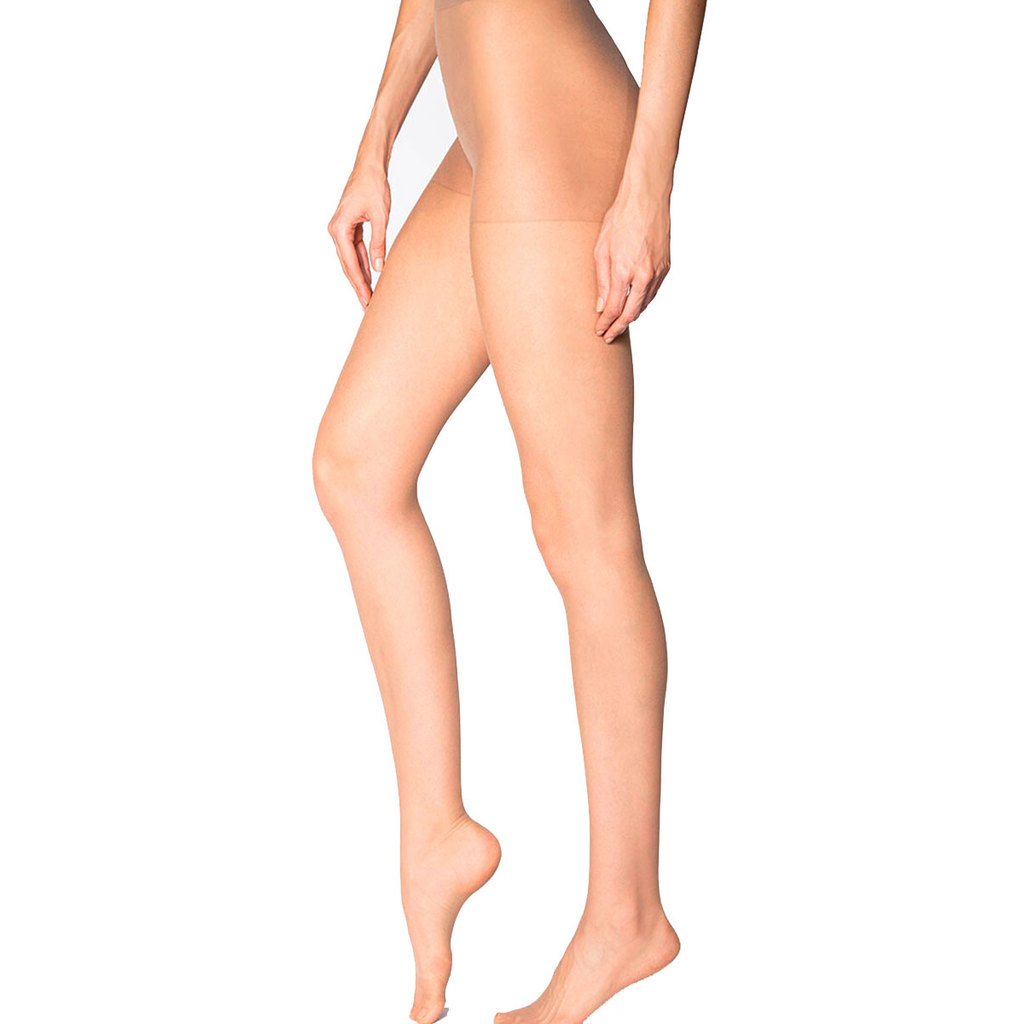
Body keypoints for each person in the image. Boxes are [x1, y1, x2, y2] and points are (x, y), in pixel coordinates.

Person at [313, 1, 706, 1021]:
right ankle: (436, 834)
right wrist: (374, 143)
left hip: (556, 129)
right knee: (357, 465)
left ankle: (627, 913)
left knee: (584, 533)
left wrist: (649, 182)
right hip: (485, 134)